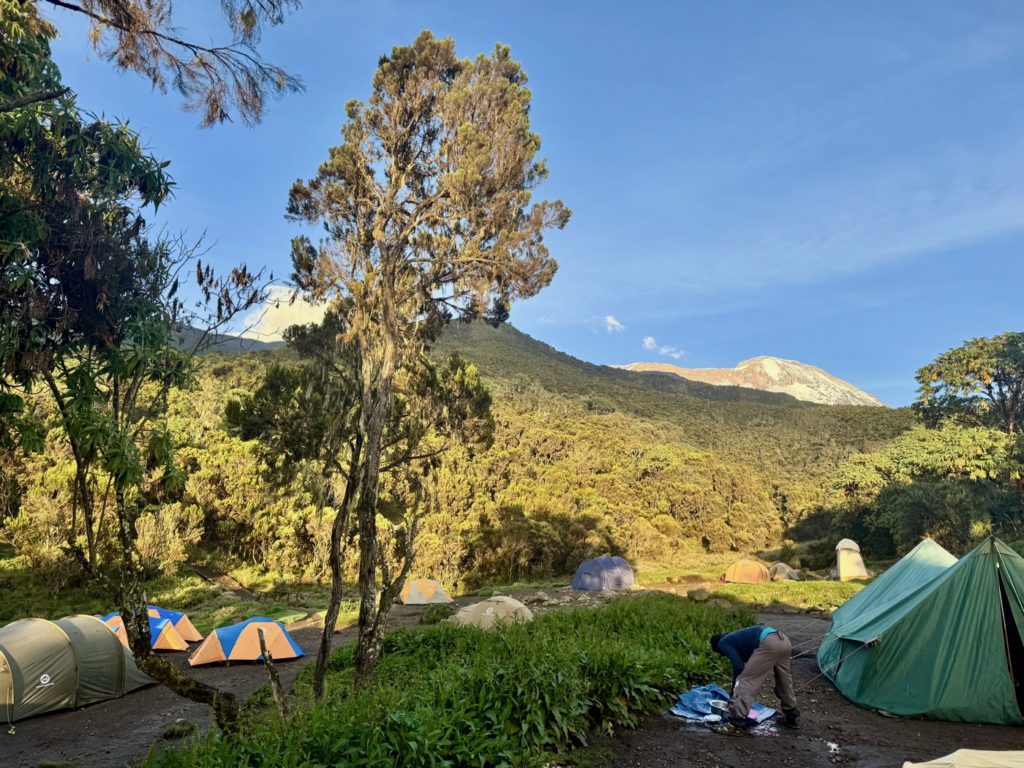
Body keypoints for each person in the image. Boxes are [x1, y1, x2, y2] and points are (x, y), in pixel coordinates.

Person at [709, 625, 800, 734]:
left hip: (769, 642)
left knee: (746, 680)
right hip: (783, 641)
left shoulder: (722, 642)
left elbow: (739, 667)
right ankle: (791, 715)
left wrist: (734, 693)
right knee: (784, 680)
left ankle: (735, 723)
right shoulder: (736, 638)